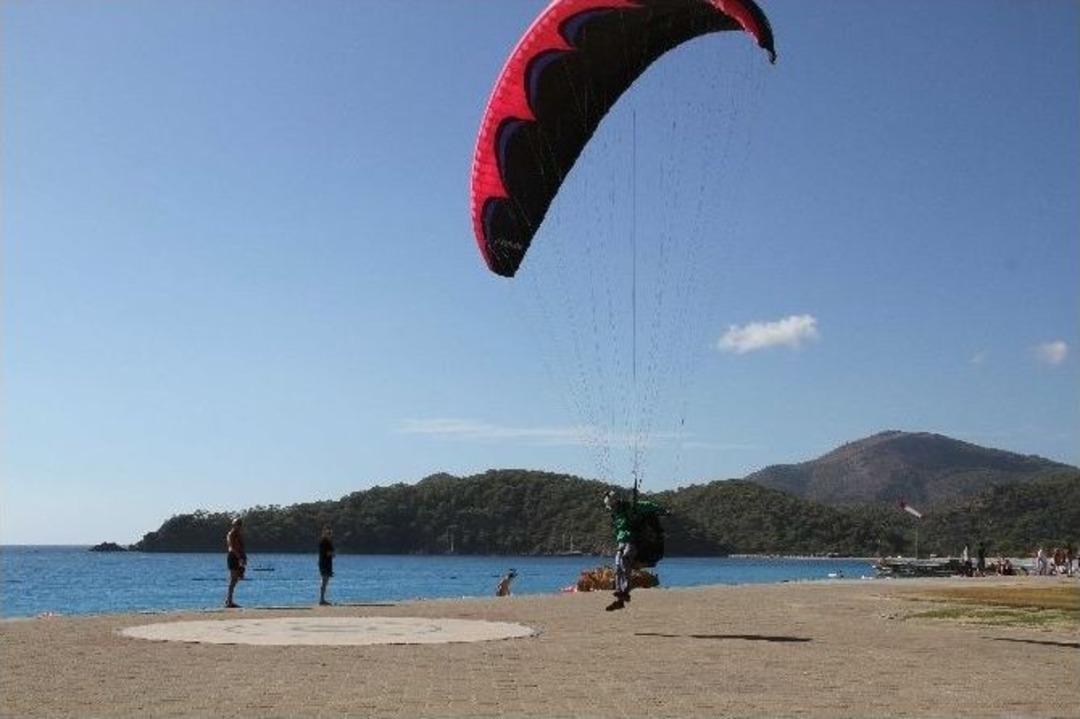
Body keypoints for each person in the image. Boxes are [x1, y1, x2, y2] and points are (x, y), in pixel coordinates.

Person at [603, 489, 665, 612]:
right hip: (620, 543)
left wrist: (661, 510)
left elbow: (647, 505)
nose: (612, 508)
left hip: (631, 541)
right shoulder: (615, 515)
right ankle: (620, 597)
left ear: (617, 503)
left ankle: (625, 591)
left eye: (613, 506)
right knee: (618, 567)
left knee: (625, 561)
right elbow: (618, 530)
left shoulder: (630, 507)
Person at [225, 517, 247, 608]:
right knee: (233, 579)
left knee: (237, 578)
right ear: (233, 525)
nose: (238, 526)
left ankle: (229, 600)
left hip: (239, 556)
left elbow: (241, 547)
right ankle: (229, 601)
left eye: (239, 524)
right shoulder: (231, 534)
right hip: (233, 556)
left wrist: (244, 557)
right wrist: (239, 557)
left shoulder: (239, 534)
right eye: (237, 524)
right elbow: (232, 547)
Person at [318, 527, 335, 605]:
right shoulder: (324, 542)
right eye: (328, 533)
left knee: (326, 580)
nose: (330, 535)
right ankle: (322, 599)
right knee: (324, 580)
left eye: (330, 533)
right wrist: (332, 553)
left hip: (327, 563)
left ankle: (323, 598)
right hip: (324, 563)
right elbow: (327, 553)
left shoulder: (328, 542)